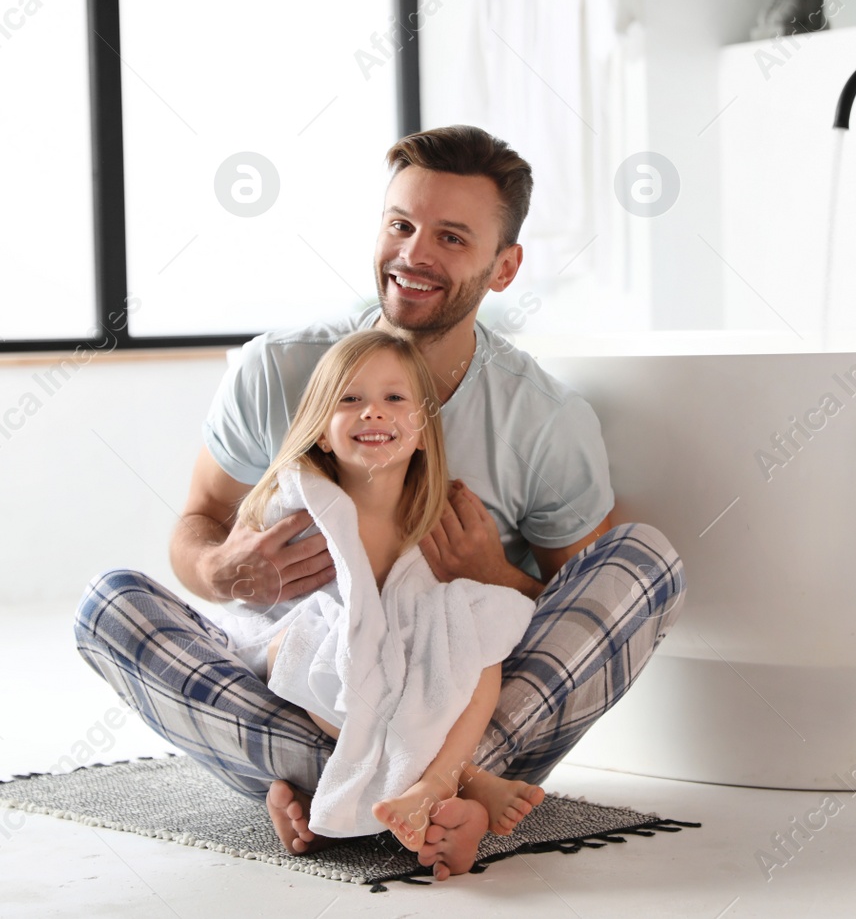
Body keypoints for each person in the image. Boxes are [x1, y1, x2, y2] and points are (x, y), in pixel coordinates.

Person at [74, 124, 685, 878]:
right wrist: (225, 568)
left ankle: (392, 784)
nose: (413, 254)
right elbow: (195, 524)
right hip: (302, 695)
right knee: (108, 604)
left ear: (504, 268)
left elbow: (578, 607)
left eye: (452, 238)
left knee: (646, 559)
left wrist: (492, 570)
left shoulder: (542, 421)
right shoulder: (277, 369)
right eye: (401, 224)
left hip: (461, 696)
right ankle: (427, 791)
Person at [215, 328, 546, 878]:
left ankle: (421, 788)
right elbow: (260, 609)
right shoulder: (293, 509)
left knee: (469, 618)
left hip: (402, 667)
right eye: (350, 399)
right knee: (320, 649)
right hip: (326, 671)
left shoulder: (435, 516)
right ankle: (458, 780)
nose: (373, 412)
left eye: (394, 399)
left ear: (421, 433)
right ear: (321, 432)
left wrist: (443, 610)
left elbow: (436, 615)